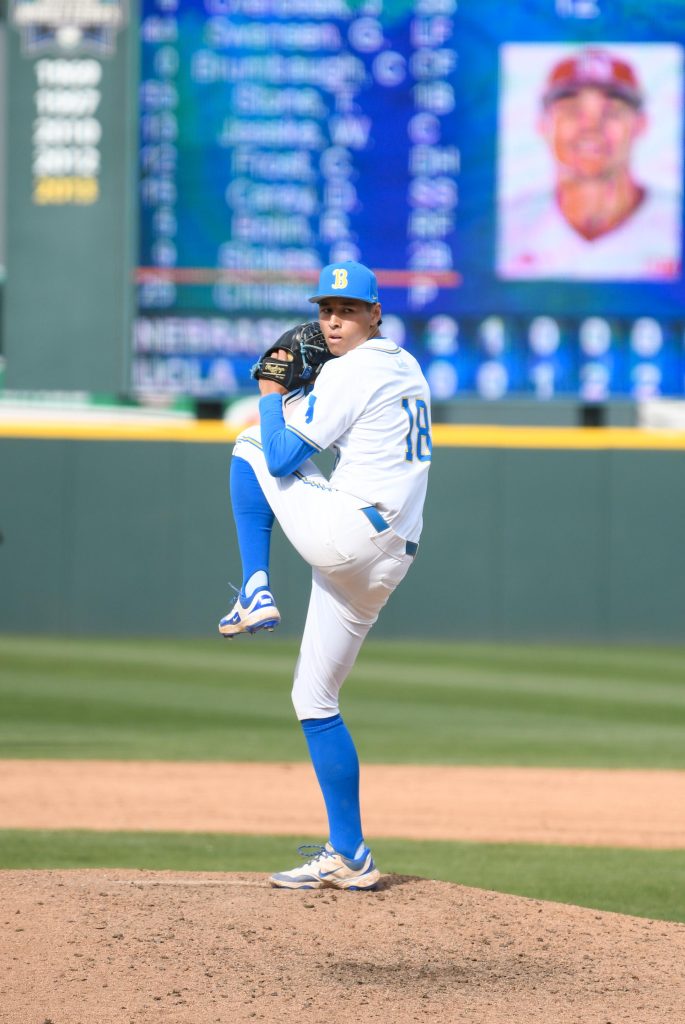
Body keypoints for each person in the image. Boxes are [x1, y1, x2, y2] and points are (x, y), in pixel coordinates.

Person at [218, 260, 432, 890]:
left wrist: (270, 391)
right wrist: (302, 396)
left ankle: (254, 586)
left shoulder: (351, 369)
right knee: (313, 700)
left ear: (375, 314)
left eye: (347, 309)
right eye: (325, 309)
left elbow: (283, 452)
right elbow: (354, 435)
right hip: (387, 557)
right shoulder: (404, 366)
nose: (333, 320)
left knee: (252, 444)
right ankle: (350, 854)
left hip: (351, 535)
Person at [498, 47, 681, 280]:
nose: (591, 127)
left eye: (612, 112)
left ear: (640, 125)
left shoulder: (674, 221)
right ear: (543, 125)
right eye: (572, 111)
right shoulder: (505, 226)